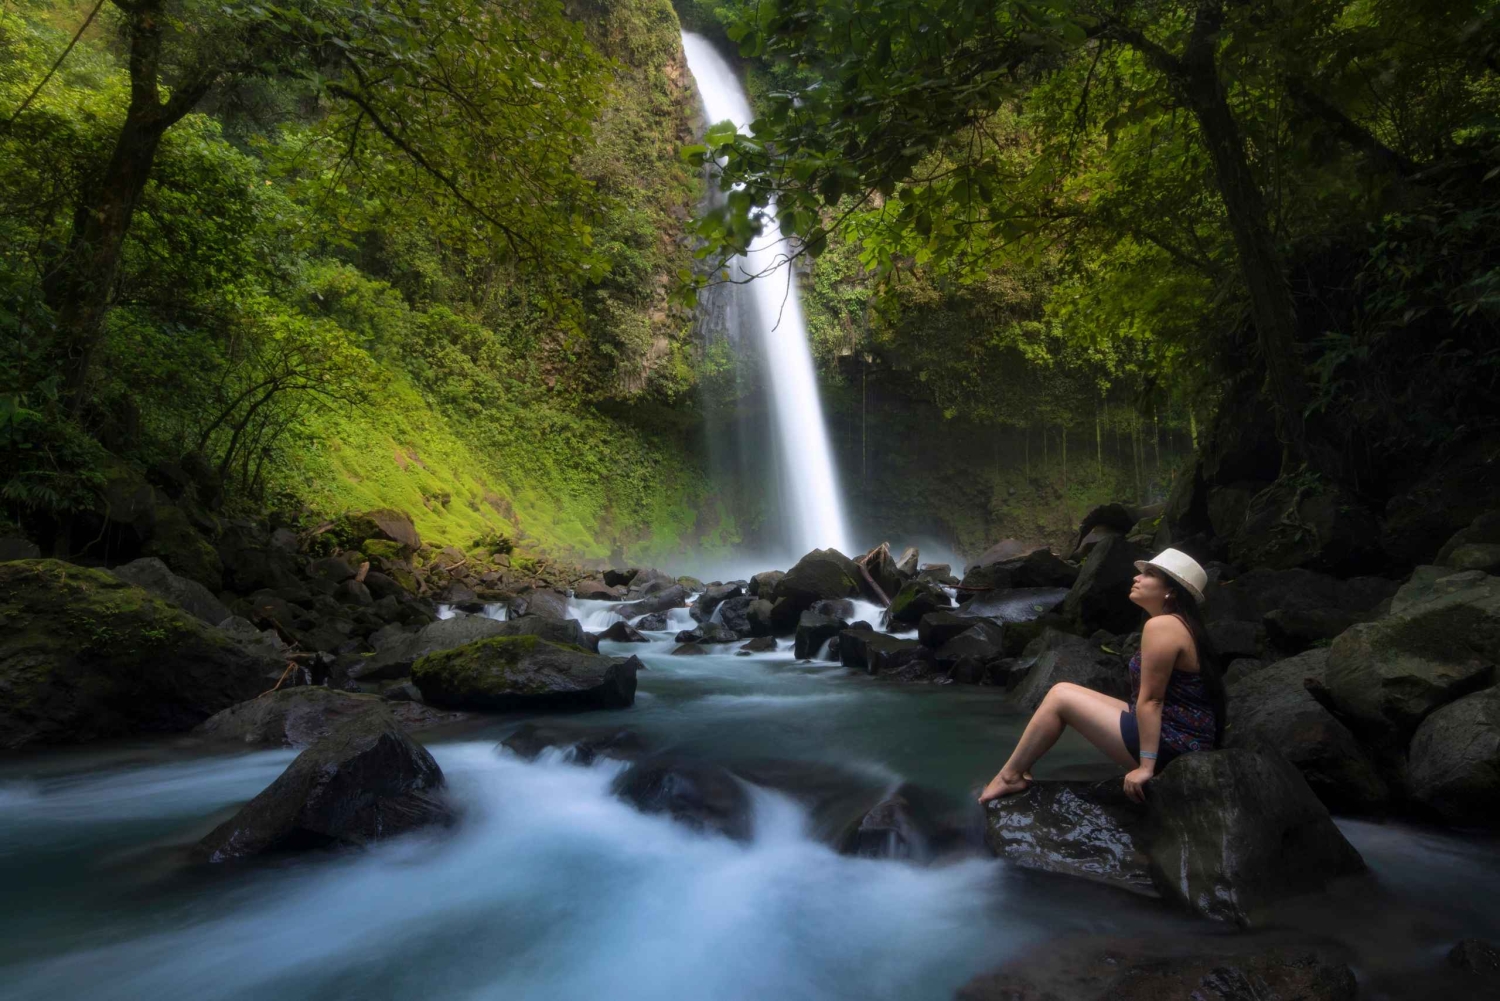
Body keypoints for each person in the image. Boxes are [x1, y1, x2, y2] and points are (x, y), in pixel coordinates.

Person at [977, 548, 1226, 805]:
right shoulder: (1181, 624)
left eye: (1149, 574)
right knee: (1062, 689)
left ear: (1171, 591)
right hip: (1186, 736)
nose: (1136, 578)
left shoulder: (1163, 626)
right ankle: (1014, 772)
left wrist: (1146, 768)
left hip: (1174, 745)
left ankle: (1010, 776)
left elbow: (1152, 700)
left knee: (1060, 697)